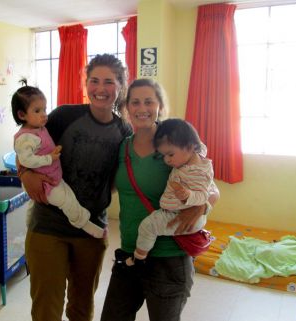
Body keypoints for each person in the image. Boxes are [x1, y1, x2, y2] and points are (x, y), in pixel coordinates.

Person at [18, 54, 132, 321]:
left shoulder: (124, 130)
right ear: (86, 83)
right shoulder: (63, 116)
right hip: (48, 227)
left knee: (82, 307)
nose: (100, 89)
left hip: (91, 232)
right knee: (47, 308)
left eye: (109, 82)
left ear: (120, 86)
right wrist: (25, 174)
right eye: (94, 81)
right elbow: (25, 146)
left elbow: (122, 175)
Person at [100, 78, 219, 321]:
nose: (141, 108)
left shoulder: (179, 146)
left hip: (169, 258)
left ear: (159, 107)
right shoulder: (122, 148)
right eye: (135, 102)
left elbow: (212, 190)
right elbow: (107, 185)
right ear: (126, 107)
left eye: (148, 101)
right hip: (131, 255)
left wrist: (201, 207)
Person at [11, 79, 104, 238]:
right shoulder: (27, 136)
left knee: (67, 198)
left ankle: (30, 224)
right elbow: (24, 159)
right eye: (37, 111)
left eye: (45, 109)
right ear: (22, 115)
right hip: (46, 183)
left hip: (54, 177)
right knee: (67, 202)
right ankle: (85, 224)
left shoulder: (39, 128)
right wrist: (49, 158)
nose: (44, 115)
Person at [129, 118, 215, 262]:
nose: (167, 160)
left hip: (180, 214)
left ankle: (138, 256)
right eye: (163, 155)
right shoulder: (194, 153)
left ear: (190, 147)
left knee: (148, 226)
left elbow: (203, 194)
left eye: (170, 154)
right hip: (179, 211)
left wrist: (188, 195)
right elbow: (199, 145)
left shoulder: (196, 172)